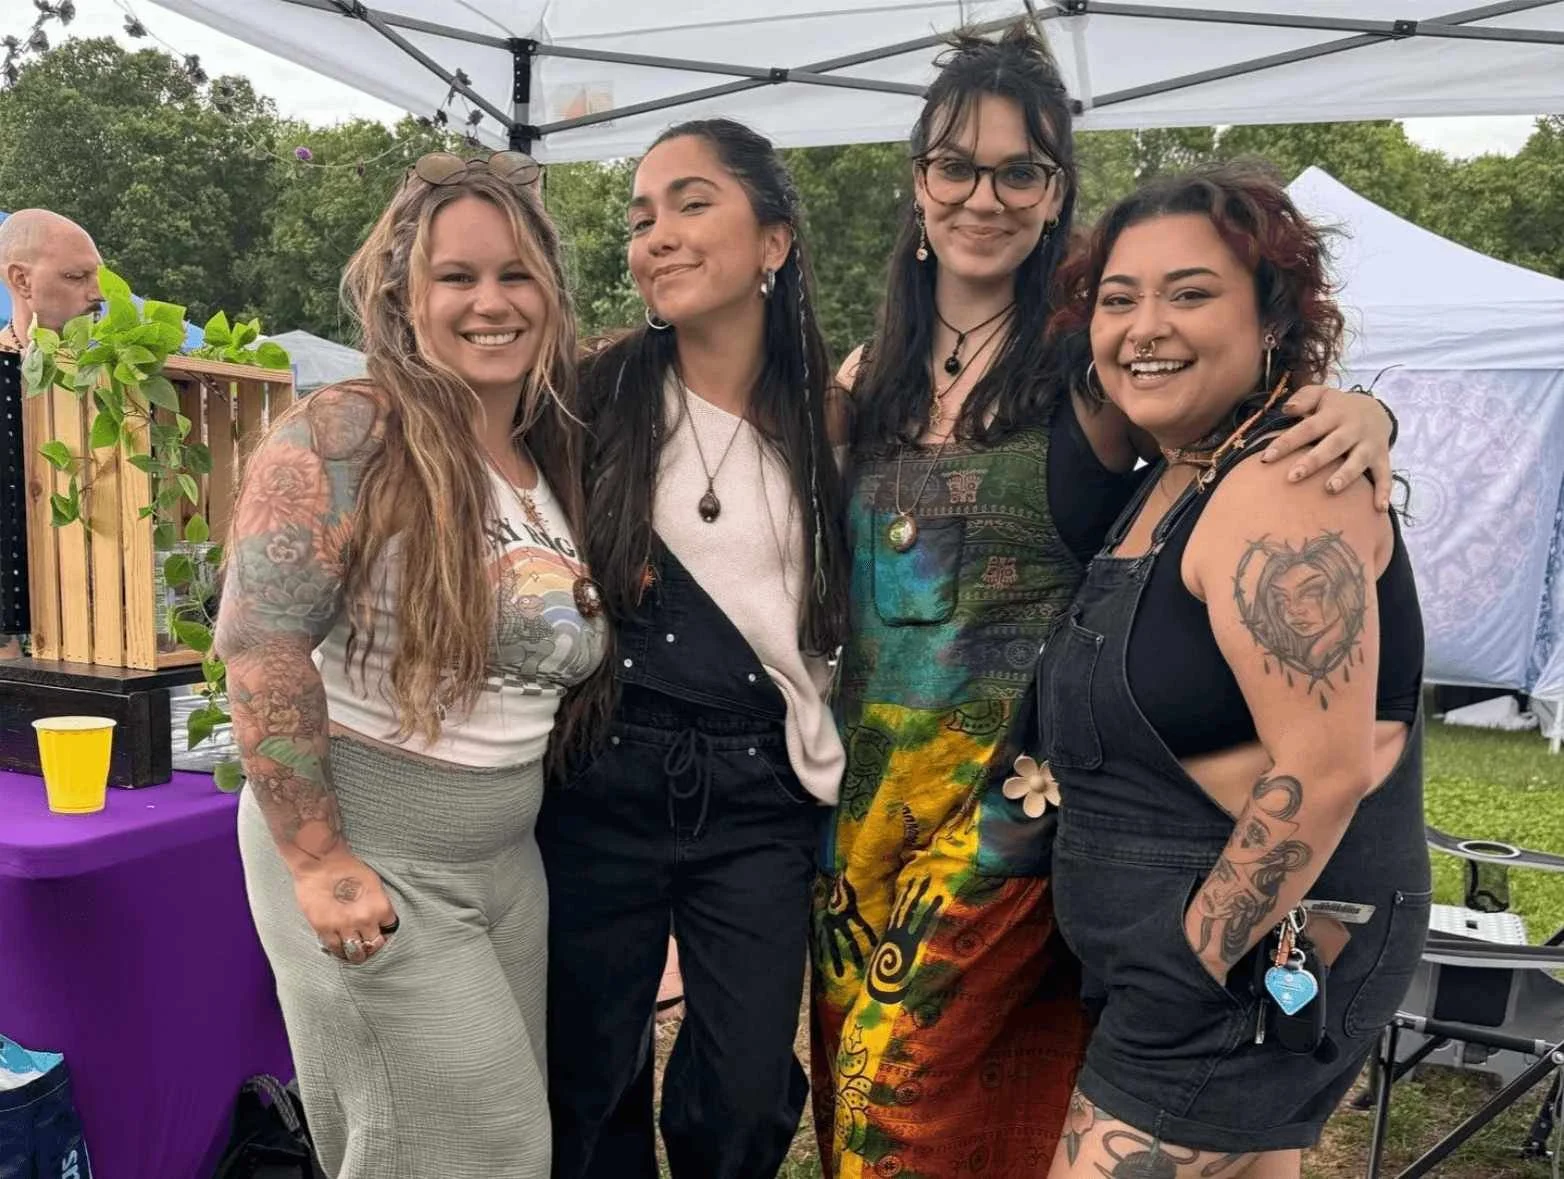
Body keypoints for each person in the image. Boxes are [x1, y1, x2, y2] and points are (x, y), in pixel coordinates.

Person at [812, 25, 1398, 1178]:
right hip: (862, 814)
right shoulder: (860, 375)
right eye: (955, 166)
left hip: (1008, 820)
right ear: (916, 183)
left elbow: (1242, 411)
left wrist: (1359, 414)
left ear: (1053, 196)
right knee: (851, 1107)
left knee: (904, 1117)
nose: (983, 197)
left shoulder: (1093, 363)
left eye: (1019, 171)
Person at [1035, 162, 1428, 1179]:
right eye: (1118, 300)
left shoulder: (1285, 482)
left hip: (1250, 962)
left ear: (1271, 320)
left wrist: (1189, 962)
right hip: (1184, 966)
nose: (1145, 326)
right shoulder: (1176, 469)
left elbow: (1325, 768)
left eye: (1191, 292)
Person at [216, 152, 603, 1179]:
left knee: (486, 1148)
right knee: (466, 1154)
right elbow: (260, 640)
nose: (492, 302)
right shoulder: (350, 428)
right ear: (402, 295)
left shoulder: (539, 454)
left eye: (516, 274)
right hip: (372, 851)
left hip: (503, 865)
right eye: (457, 277)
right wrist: (317, 859)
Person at [539, 118, 850, 1179]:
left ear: (774, 241)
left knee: (748, 1090)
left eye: (689, 202)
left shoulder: (839, 419)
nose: (655, 235)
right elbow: (440, 419)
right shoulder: (586, 393)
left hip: (762, 795)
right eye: (639, 217)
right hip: (601, 777)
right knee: (582, 1082)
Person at [0, 209, 103, 659]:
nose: (96, 294)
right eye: (76, 277)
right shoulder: (6, 377)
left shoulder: (122, 386)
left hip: (113, 644)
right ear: (22, 281)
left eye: (95, 277)